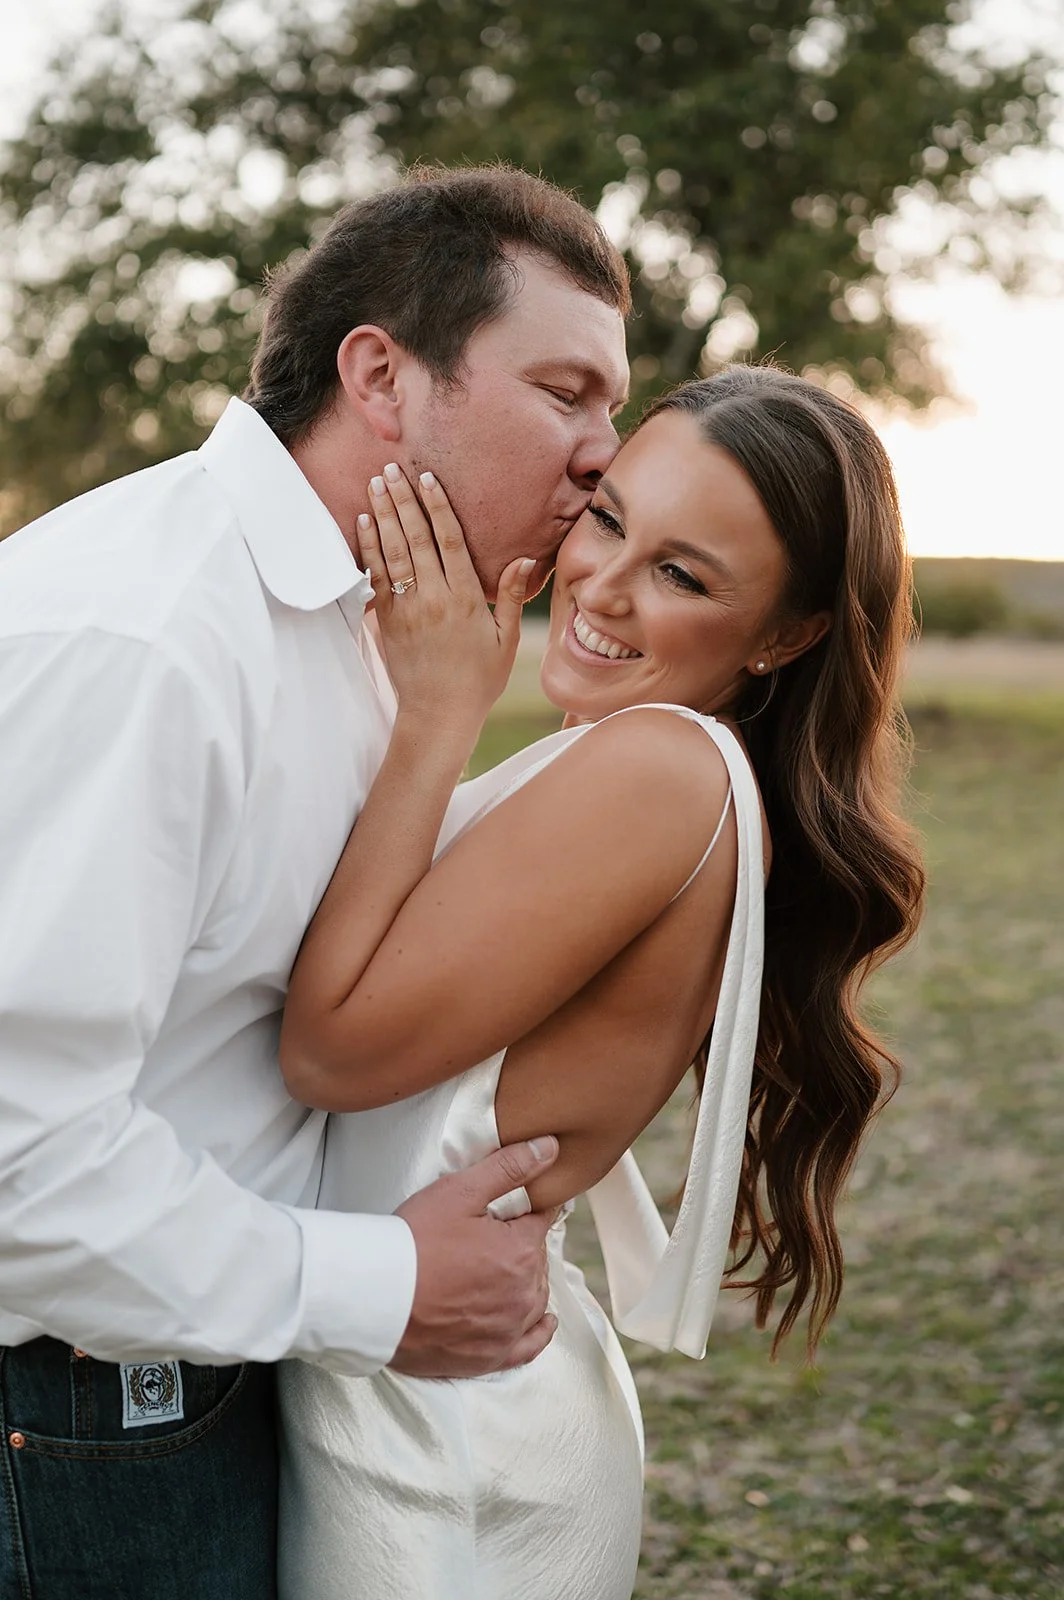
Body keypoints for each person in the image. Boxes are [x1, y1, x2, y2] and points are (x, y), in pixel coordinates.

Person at [0, 165, 631, 1598]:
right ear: (382, 376)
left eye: (612, 405)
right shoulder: (148, 639)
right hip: (69, 1421)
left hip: (215, 1383)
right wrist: (387, 1287)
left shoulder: (373, 632)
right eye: (564, 391)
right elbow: (15, 1155)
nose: (607, 452)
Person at [275, 364, 927, 1598]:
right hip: (409, 1381)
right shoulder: (615, 758)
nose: (603, 585)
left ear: (785, 634)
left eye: (682, 575)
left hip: (446, 1447)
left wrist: (436, 717)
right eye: (611, 516)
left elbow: (330, 1054)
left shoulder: (658, 769)